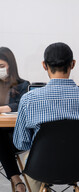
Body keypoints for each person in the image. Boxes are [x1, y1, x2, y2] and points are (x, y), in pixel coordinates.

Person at [13, 42, 79, 192]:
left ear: (44, 65)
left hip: (41, 167)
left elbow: (21, 143)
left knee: (30, 158)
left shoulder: (28, 100)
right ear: (72, 64)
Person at [0, 47, 29, 192]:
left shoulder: (23, 85)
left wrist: (3, 109)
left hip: (16, 137)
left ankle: (16, 179)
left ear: (10, 65)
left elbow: (22, 105)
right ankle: (16, 179)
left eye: (1, 66)